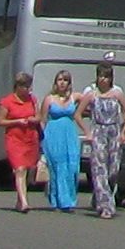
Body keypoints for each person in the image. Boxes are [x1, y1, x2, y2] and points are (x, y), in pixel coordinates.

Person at [75, 63, 125, 220]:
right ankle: (106, 207)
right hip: (98, 132)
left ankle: (99, 197)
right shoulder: (92, 95)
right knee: (99, 170)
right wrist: (87, 132)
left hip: (114, 132)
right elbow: (78, 114)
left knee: (113, 171)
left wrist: (124, 131)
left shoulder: (117, 94)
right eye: (100, 76)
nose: (103, 80)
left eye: (106, 77)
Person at [0, 71, 43, 214]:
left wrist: (33, 120)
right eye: (25, 87)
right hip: (14, 139)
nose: (27, 90)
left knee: (28, 170)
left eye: (29, 87)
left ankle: (19, 200)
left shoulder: (32, 100)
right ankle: (24, 202)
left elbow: (39, 117)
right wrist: (17, 121)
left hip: (30, 138)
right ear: (18, 86)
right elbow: (0, 121)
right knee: (19, 169)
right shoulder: (7, 101)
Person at [40, 71, 84, 214]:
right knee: (58, 167)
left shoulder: (74, 97)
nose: (62, 83)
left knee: (72, 167)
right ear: (55, 82)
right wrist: (40, 141)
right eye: (60, 80)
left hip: (70, 135)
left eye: (65, 80)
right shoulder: (49, 99)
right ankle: (58, 201)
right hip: (53, 135)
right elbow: (42, 120)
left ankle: (69, 199)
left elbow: (91, 98)